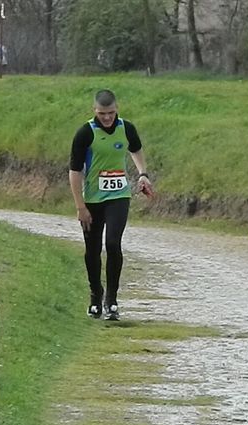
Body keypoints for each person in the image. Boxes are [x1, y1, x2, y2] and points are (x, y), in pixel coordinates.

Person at [69, 89, 152, 320]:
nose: (107, 118)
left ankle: (112, 300)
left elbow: (135, 149)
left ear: (117, 109)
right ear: (94, 111)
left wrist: (142, 173)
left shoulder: (126, 128)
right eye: (103, 113)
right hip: (92, 199)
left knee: (113, 244)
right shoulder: (85, 133)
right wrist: (80, 206)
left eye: (111, 113)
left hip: (118, 196)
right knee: (93, 250)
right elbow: (75, 172)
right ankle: (96, 296)